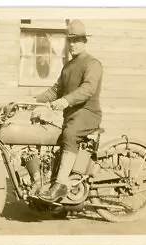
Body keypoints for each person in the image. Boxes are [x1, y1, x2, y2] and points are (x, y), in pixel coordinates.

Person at [35, 19, 103, 202]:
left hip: (88, 114)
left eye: (77, 40)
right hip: (72, 115)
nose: (73, 44)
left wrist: (66, 101)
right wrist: (33, 101)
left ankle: (61, 184)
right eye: (70, 40)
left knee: (70, 135)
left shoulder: (92, 64)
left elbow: (88, 88)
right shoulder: (68, 66)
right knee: (51, 133)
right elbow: (55, 90)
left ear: (84, 41)